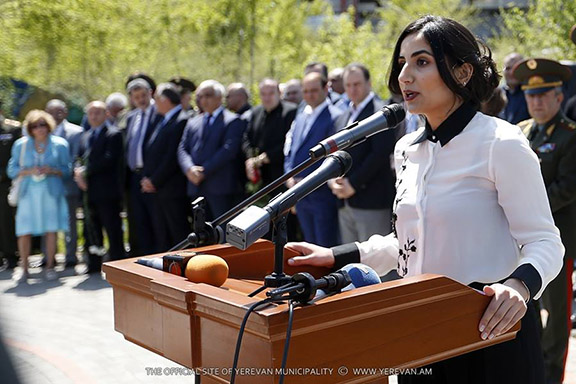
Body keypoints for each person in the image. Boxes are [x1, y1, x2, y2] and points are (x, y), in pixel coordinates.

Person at [286, 15, 563, 384]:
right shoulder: (406, 150)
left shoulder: (502, 143)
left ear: (463, 73)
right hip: (417, 329)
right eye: (402, 63)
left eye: (421, 62)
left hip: (490, 332)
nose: (405, 76)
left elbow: (545, 241)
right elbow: (407, 244)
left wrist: (518, 287)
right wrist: (336, 255)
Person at [514, 57, 576, 384]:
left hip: (558, 241)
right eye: (530, 95)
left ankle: (552, 376)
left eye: (543, 95)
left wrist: (524, 205)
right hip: (521, 241)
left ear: (559, 97)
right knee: (529, 310)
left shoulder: (570, 136)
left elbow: (566, 188)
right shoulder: (521, 132)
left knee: (556, 319)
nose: (536, 102)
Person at [330, 63, 395, 245]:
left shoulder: (380, 114)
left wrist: (353, 183)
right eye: (348, 85)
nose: (352, 89)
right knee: (350, 264)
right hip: (344, 201)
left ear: (369, 83)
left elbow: (379, 154)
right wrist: (332, 181)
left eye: (357, 84)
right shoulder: (342, 117)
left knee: (377, 266)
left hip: (371, 201)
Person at [8, 110, 71, 282]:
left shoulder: (60, 144)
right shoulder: (20, 145)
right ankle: (24, 268)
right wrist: (28, 171)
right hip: (28, 193)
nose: (39, 129)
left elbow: (67, 170)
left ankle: (50, 266)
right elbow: (11, 169)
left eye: (42, 124)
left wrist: (52, 170)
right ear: (30, 128)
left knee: (51, 229)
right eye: (35, 126)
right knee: (24, 230)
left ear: (49, 126)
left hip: (51, 192)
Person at [283, 72, 342, 247]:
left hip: (321, 192)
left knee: (324, 244)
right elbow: (290, 149)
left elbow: (333, 154)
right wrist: (289, 176)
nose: (309, 95)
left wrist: (310, 179)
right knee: (309, 242)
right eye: (306, 91)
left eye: (314, 90)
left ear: (326, 89)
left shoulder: (336, 116)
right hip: (299, 192)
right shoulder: (301, 116)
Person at [177, 80, 247, 220]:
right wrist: (189, 169)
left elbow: (228, 150)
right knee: (202, 234)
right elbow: (182, 148)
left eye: (207, 95)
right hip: (196, 186)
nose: (203, 100)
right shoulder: (193, 122)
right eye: (200, 96)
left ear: (219, 97)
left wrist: (204, 171)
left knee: (222, 231)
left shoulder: (232, 120)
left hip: (219, 187)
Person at [75, 101, 125, 273]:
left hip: (107, 191)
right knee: (91, 229)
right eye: (91, 113)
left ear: (106, 114)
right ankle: (94, 264)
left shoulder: (114, 134)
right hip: (89, 191)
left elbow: (109, 159)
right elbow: (79, 158)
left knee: (112, 227)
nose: (94, 116)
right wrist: (77, 172)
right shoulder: (85, 136)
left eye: (98, 113)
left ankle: (118, 263)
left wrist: (85, 171)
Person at [141, 83, 190, 251]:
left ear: (165, 100)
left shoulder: (181, 120)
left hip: (171, 187)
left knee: (177, 231)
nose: (154, 103)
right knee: (163, 233)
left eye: (156, 99)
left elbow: (171, 157)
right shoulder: (164, 119)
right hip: (158, 188)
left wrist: (154, 180)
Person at [45, 99, 83, 268]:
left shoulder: (76, 132)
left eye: (58, 111)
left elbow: (76, 158)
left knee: (70, 223)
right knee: (47, 222)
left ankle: (70, 256)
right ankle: (48, 256)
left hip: (68, 184)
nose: (55, 115)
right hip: (46, 187)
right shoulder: (41, 132)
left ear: (65, 113)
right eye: (51, 111)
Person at [243, 78, 297, 187]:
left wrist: (267, 157)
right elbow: (247, 138)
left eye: (271, 93)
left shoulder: (290, 111)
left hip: (281, 175)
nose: (267, 98)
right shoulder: (256, 112)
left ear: (279, 93)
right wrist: (250, 159)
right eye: (263, 94)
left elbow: (292, 141)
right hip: (259, 175)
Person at [0, 105, 21, 270]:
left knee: (6, 221)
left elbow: (17, 156)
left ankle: (11, 255)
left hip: (5, 182)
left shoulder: (12, 129)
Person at [500, 52, 530, 124]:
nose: (511, 72)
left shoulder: (531, 93)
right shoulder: (496, 94)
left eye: (515, 68)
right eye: (508, 68)